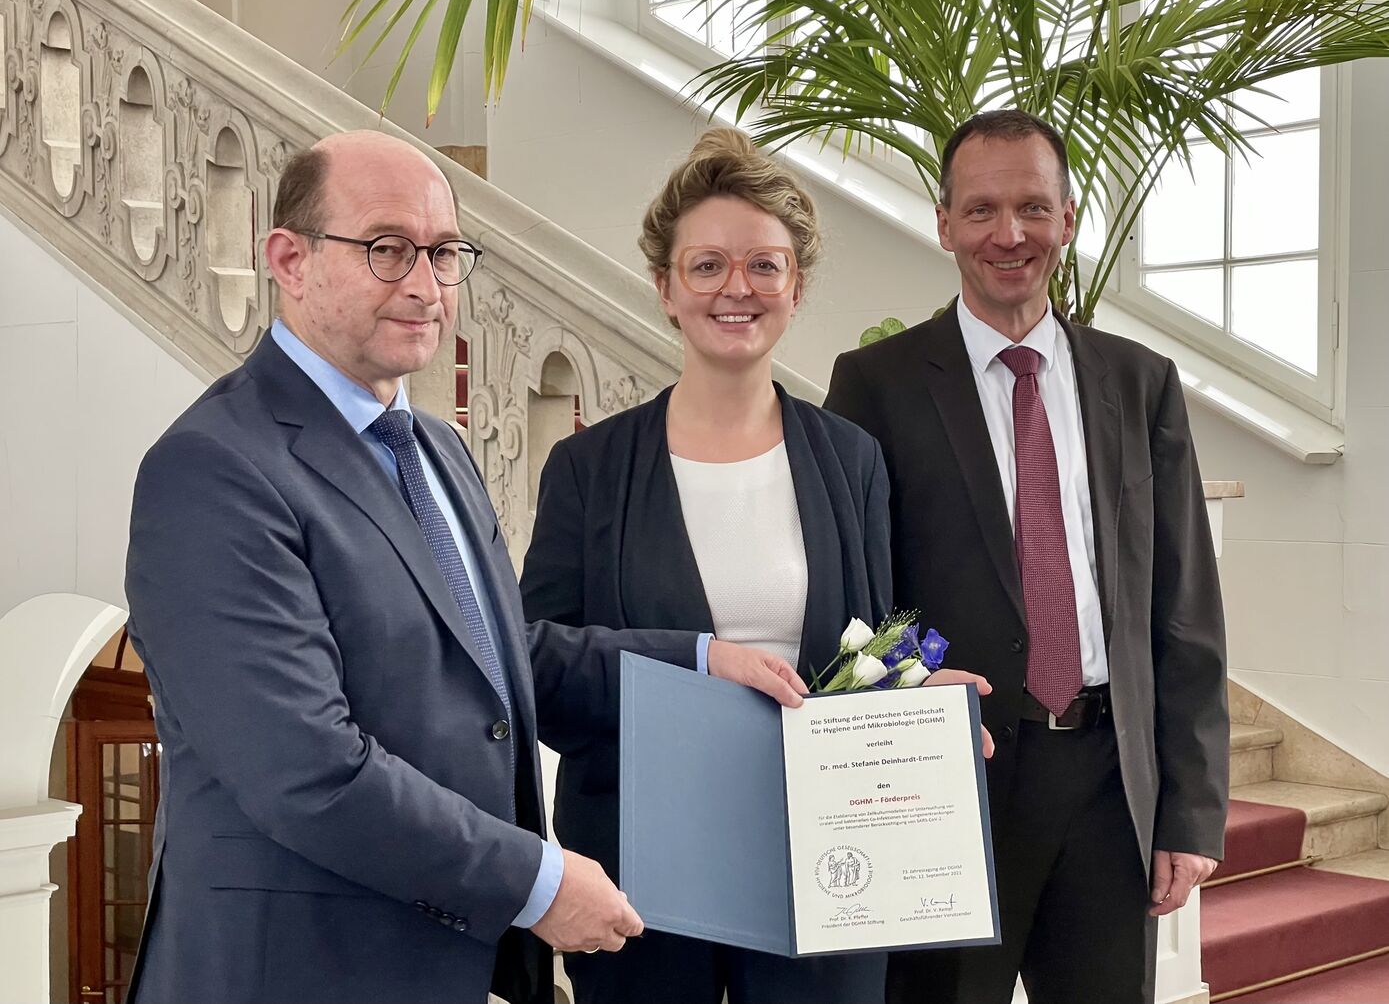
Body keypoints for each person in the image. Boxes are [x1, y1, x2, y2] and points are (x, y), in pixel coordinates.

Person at [121, 129, 805, 1004]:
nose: (424, 285)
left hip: (443, 960)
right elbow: (306, 769)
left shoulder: (433, 447)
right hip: (297, 967)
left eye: (444, 254)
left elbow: (492, 658)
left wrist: (706, 662)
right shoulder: (214, 468)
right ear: (288, 259)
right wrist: (538, 883)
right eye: (385, 249)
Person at [520, 128, 990, 1004]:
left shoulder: (851, 459)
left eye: (764, 266)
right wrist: (700, 657)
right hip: (641, 869)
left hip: (828, 863)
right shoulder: (588, 471)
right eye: (706, 266)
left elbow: (875, 641)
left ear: (795, 287)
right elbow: (537, 664)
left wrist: (915, 695)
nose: (737, 288)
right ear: (664, 288)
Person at [824, 109, 1229, 1004]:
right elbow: (856, 594)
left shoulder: (1140, 380)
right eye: (980, 211)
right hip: (951, 778)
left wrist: (1190, 807)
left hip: (1107, 781)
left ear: (1068, 218)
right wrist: (895, 720)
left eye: (1032, 209)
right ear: (943, 225)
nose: (1008, 235)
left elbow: (1183, 603)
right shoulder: (875, 384)